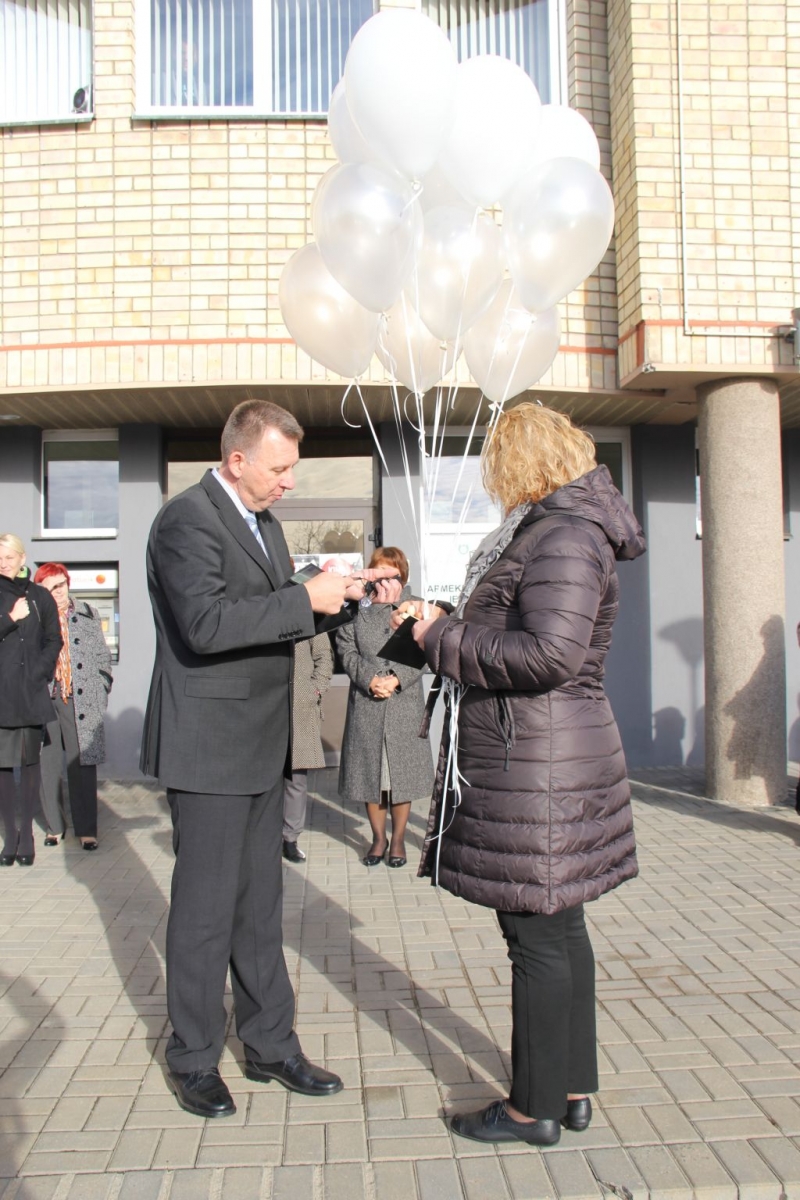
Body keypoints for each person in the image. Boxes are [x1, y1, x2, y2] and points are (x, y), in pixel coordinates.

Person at [140, 399, 400, 1119]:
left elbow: (279, 605)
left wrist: (341, 600)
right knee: (204, 914)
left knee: (260, 910)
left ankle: (270, 1045)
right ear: (237, 460)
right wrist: (300, 599)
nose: (289, 481)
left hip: (261, 743)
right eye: (280, 468)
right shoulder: (185, 521)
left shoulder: (265, 523)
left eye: (292, 469)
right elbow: (205, 623)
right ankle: (193, 1057)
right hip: (208, 747)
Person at [397, 404, 645, 1146]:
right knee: (558, 927)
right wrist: (430, 625)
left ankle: (530, 1109)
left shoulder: (563, 534)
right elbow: (517, 633)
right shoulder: (562, 528)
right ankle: (568, 1089)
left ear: (521, 462)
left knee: (535, 937)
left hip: (538, 762)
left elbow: (548, 656)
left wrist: (441, 633)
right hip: (545, 754)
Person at [337, 546, 434, 868]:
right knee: (371, 779)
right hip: (367, 702)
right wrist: (370, 679)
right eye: (379, 571)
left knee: (400, 778)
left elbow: (425, 650)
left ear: (402, 574)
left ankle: (399, 840)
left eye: (391, 572)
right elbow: (346, 650)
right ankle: (378, 839)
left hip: (402, 702)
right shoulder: (357, 607)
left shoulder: (416, 605)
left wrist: (396, 678)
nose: (384, 578)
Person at [34, 564, 113, 851]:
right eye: (49, 588)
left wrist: (101, 687)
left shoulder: (87, 613)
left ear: (68, 583)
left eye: (60, 585)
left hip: (81, 698)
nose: (56, 592)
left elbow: (102, 656)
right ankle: (55, 827)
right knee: (48, 764)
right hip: (46, 697)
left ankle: (87, 830)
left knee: (82, 764)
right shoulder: (35, 618)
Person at [0, 534, 62, 867]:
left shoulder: (40, 597)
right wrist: (10, 618)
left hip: (32, 692)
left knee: (29, 765)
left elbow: (54, 639)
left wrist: (39, 672)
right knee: (3, 769)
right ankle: (10, 836)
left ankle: (27, 835)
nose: (4, 562)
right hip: (2, 694)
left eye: (9, 556)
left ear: (23, 558)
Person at [282, 630, 334, 863]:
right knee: (266, 777)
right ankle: (265, 836)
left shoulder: (309, 614)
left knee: (296, 777)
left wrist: (314, 690)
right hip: (266, 704)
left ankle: (289, 839)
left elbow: (324, 655)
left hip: (300, 706)